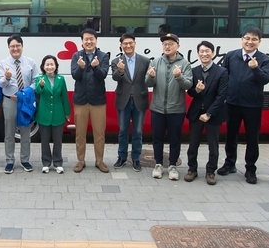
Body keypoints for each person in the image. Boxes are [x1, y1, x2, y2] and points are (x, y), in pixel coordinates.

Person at [217, 27, 269, 184]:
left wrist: (255, 69)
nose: (250, 42)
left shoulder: (264, 59)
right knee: (231, 135)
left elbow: (265, 79)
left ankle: (250, 169)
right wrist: (224, 96)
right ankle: (229, 164)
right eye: (247, 38)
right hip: (232, 102)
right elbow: (224, 76)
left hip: (252, 105)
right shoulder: (231, 56)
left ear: (259, 42)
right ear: (242, 39)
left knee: (252, 137)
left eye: (254, 39)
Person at [145, 33, 193, 181]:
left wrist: (179, 76)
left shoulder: (185, 64)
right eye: (165, 44)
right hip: (157, 108)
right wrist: (151, 76)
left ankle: (172, 166)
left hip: (176, 110)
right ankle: (158, 164)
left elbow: (188, 85)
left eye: (171, 44)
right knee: (157, 138)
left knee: (175, 139)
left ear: (178, 46)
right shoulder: (155, 62)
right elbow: (148, 83)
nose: (167, 46)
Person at [185, 41, 228, 185]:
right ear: (198, 54)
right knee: (193, 144)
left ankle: (210, 171)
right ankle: (192, 169)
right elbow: (190, 92)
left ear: (213, 53)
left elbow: (221, 96)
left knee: (213, 146)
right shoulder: (194, 71)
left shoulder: (222, 72)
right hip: (196, 113)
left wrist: (209, 114)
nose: (204, 54)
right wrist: (197, 90)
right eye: (201, 51)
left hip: (213, 115)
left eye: (207, 51)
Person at [70, 28, 111, 173]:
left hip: (98, 101)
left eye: (91, 39)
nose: (89, 41)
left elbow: (103, 75)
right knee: (80, 133)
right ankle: (80, 161)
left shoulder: (103, 56)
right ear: (82, 42)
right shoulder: (76, 56)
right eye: (86, 39)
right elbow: (75, 76)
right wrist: (81, 68)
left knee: (99, 133)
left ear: (96, 40)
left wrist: (96, 67)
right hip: (81, 100)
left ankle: (99, 161)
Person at [0, 35, 38, 174]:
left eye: (17, 46)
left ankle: (25, 160)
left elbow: (35, 82)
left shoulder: (30, 62)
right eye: (12, 46)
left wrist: (24, 94)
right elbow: (0, 84)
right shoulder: (3, 63)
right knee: (9, 133)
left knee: (25, 132)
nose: (15, 49)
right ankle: (9, 161)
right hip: (9, 101)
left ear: (22, 46)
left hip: (25, 102)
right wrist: (7, 78)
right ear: (8, 48)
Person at [111, 33, 150, 172]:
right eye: (125, 43)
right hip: (123, 100)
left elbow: (148, 80)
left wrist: (152, 76)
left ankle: (136, 158)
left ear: (135, 43)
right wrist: (120, 71)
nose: (128, 45)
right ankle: (121, 157)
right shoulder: (116, 61)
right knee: (123, 130)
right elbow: (115, 77)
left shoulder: (145, 61)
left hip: (140, 99)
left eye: (130, 43)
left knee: (138, 132)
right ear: (121, 45)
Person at [34, 55, 70, 174]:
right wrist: (41, 85)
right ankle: (46, 163)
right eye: (47, 65)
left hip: (58, 114)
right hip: (43, 114)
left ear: (56, 66)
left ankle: (58, 163)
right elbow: (38, 91)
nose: (50, 67)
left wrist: (67, 113)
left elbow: (64, 96)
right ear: (43, 67)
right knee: (44, 141)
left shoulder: (61, 79)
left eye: (52, 64)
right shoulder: (39, 79)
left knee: (58, 140)